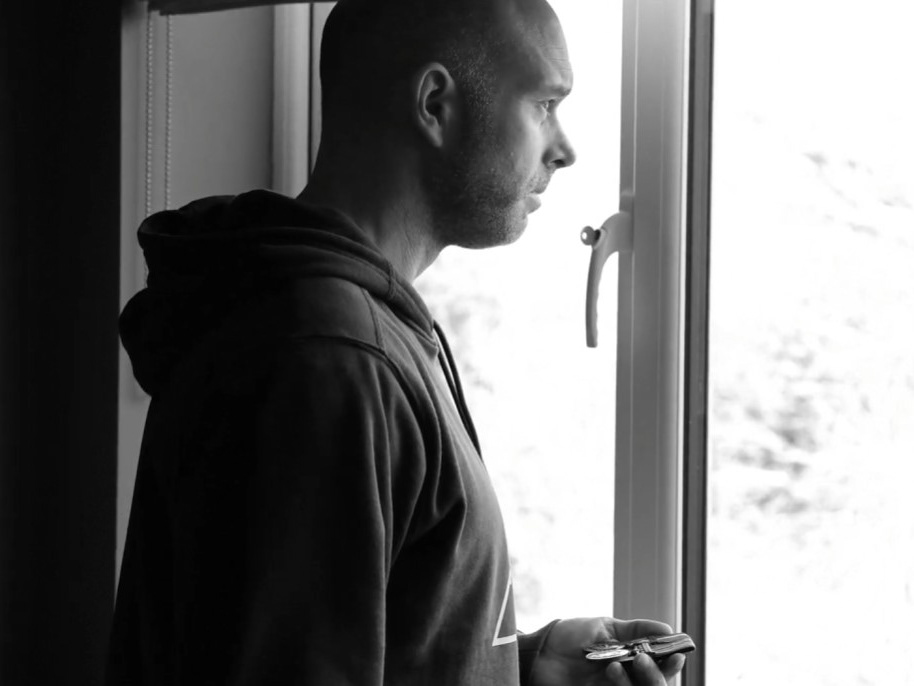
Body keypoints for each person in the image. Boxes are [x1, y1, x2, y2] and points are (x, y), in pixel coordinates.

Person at [107, 0, 688, 684]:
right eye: (545, 104)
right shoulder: (331, 359)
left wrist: (525, 664)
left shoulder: (353, 329)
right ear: (435, 103)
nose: (564, 149)